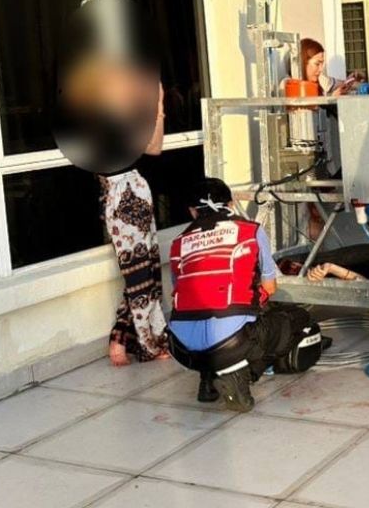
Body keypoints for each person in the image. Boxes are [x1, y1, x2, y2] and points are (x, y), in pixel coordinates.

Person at [166, 178, 327, 411]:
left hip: (181, 348)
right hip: (232, 343)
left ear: (192, 211)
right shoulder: (251, 231)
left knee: (207, 315)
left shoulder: (177, 243)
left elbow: (180, 291)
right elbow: (270, 288)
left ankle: (208, 379)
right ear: (231, 204)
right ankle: (241, 378)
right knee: (292, 320)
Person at [101, 84, 171, 366]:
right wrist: (157, 107)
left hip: (134, 192)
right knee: (138, 274)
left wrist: (158, 108)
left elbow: (154, 147)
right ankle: (147, 342)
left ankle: (121, 338)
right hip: (122, 196)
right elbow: (153, 147)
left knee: (145, 270)